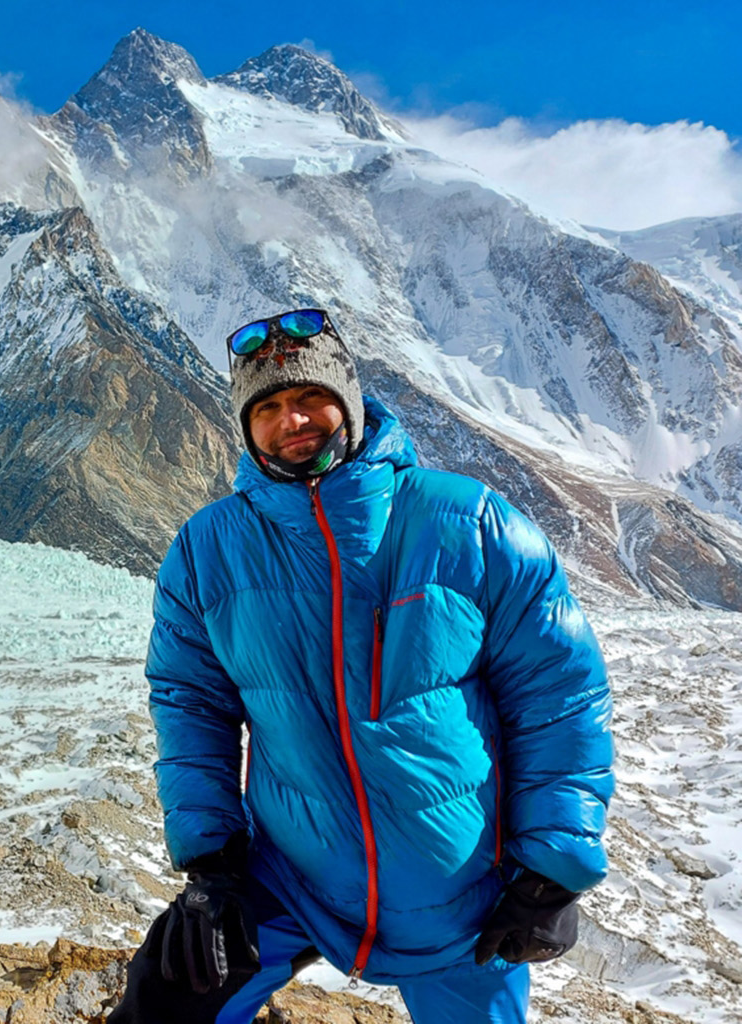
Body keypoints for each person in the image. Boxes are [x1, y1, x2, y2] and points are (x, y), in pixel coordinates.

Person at [109, 308, 614, 1023]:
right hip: (295, 878)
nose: (294, 420)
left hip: (463, 893)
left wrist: (552, 871)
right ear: (246, 426)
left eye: (311, 397)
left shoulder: (470, 523)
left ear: (347, 399)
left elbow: (559, 696)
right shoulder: (205, 550)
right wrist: (212, 867)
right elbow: (192, 706)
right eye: (270, 406)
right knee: (166, 999)